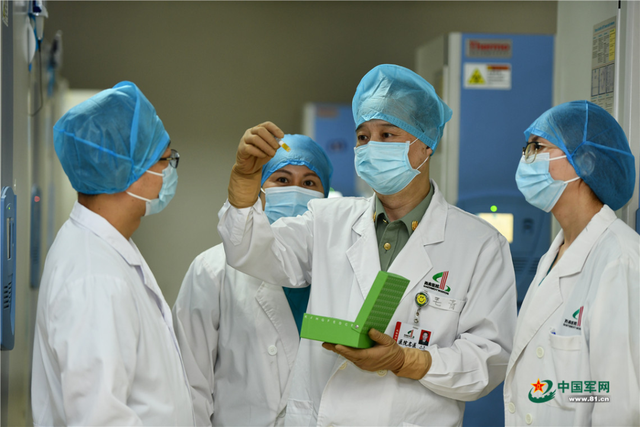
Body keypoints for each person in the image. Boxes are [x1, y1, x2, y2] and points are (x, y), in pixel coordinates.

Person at [217, 64, 517, 426]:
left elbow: (489, 359)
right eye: (363, 136)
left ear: (426, 143)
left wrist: (406, 361)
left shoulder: (479, 244)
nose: (372, 146)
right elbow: (248, 250)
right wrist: (244, 181)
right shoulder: (326, 220)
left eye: (387, 134)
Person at [31, 82, 194, 426]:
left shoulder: (103, 248)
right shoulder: (95, 278)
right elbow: (100, 418)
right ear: (127, 171)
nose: (169, 171)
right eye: (165, 159)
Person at [173, 134, 333, 426]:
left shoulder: (338, 269)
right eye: (282, 180)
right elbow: (190, 380)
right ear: (259, 190)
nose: (296, 191)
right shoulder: (213, 268)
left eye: (310, 183)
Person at [504, 101, 639, 426]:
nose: (526, 158)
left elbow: (619, 407)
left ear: (585, 161)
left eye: (538, 147)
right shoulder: (555, 255)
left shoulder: (619, 261)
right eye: (527, 148)